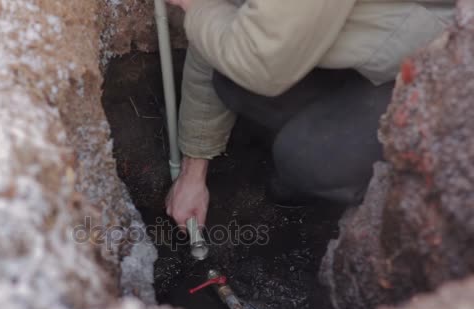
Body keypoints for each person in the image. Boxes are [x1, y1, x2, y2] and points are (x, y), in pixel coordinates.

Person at [164, 0, 455, 228]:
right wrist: (193, 172)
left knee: (307, 158)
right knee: (229, 77)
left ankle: (369, 191)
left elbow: (260, 67)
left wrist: (195, 6)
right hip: (353, 46)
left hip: (434, 73)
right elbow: (216, 36)